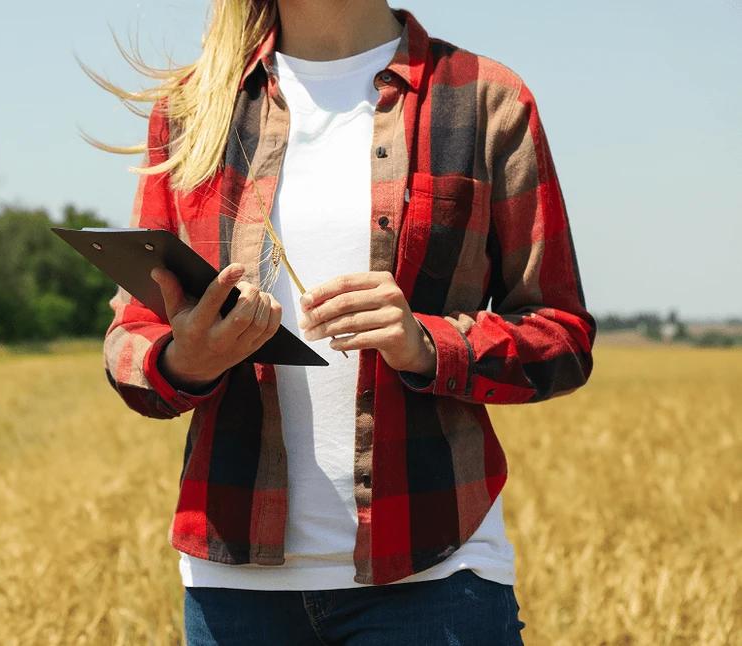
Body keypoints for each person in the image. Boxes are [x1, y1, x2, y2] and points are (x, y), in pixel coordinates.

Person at [94, 1, 596, 643]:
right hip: (234, 594)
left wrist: (428, 345)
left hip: (434, 577)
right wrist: (182, 361)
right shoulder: (195, 109)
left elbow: (562, 334)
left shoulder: (485, 99)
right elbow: (131, 336)